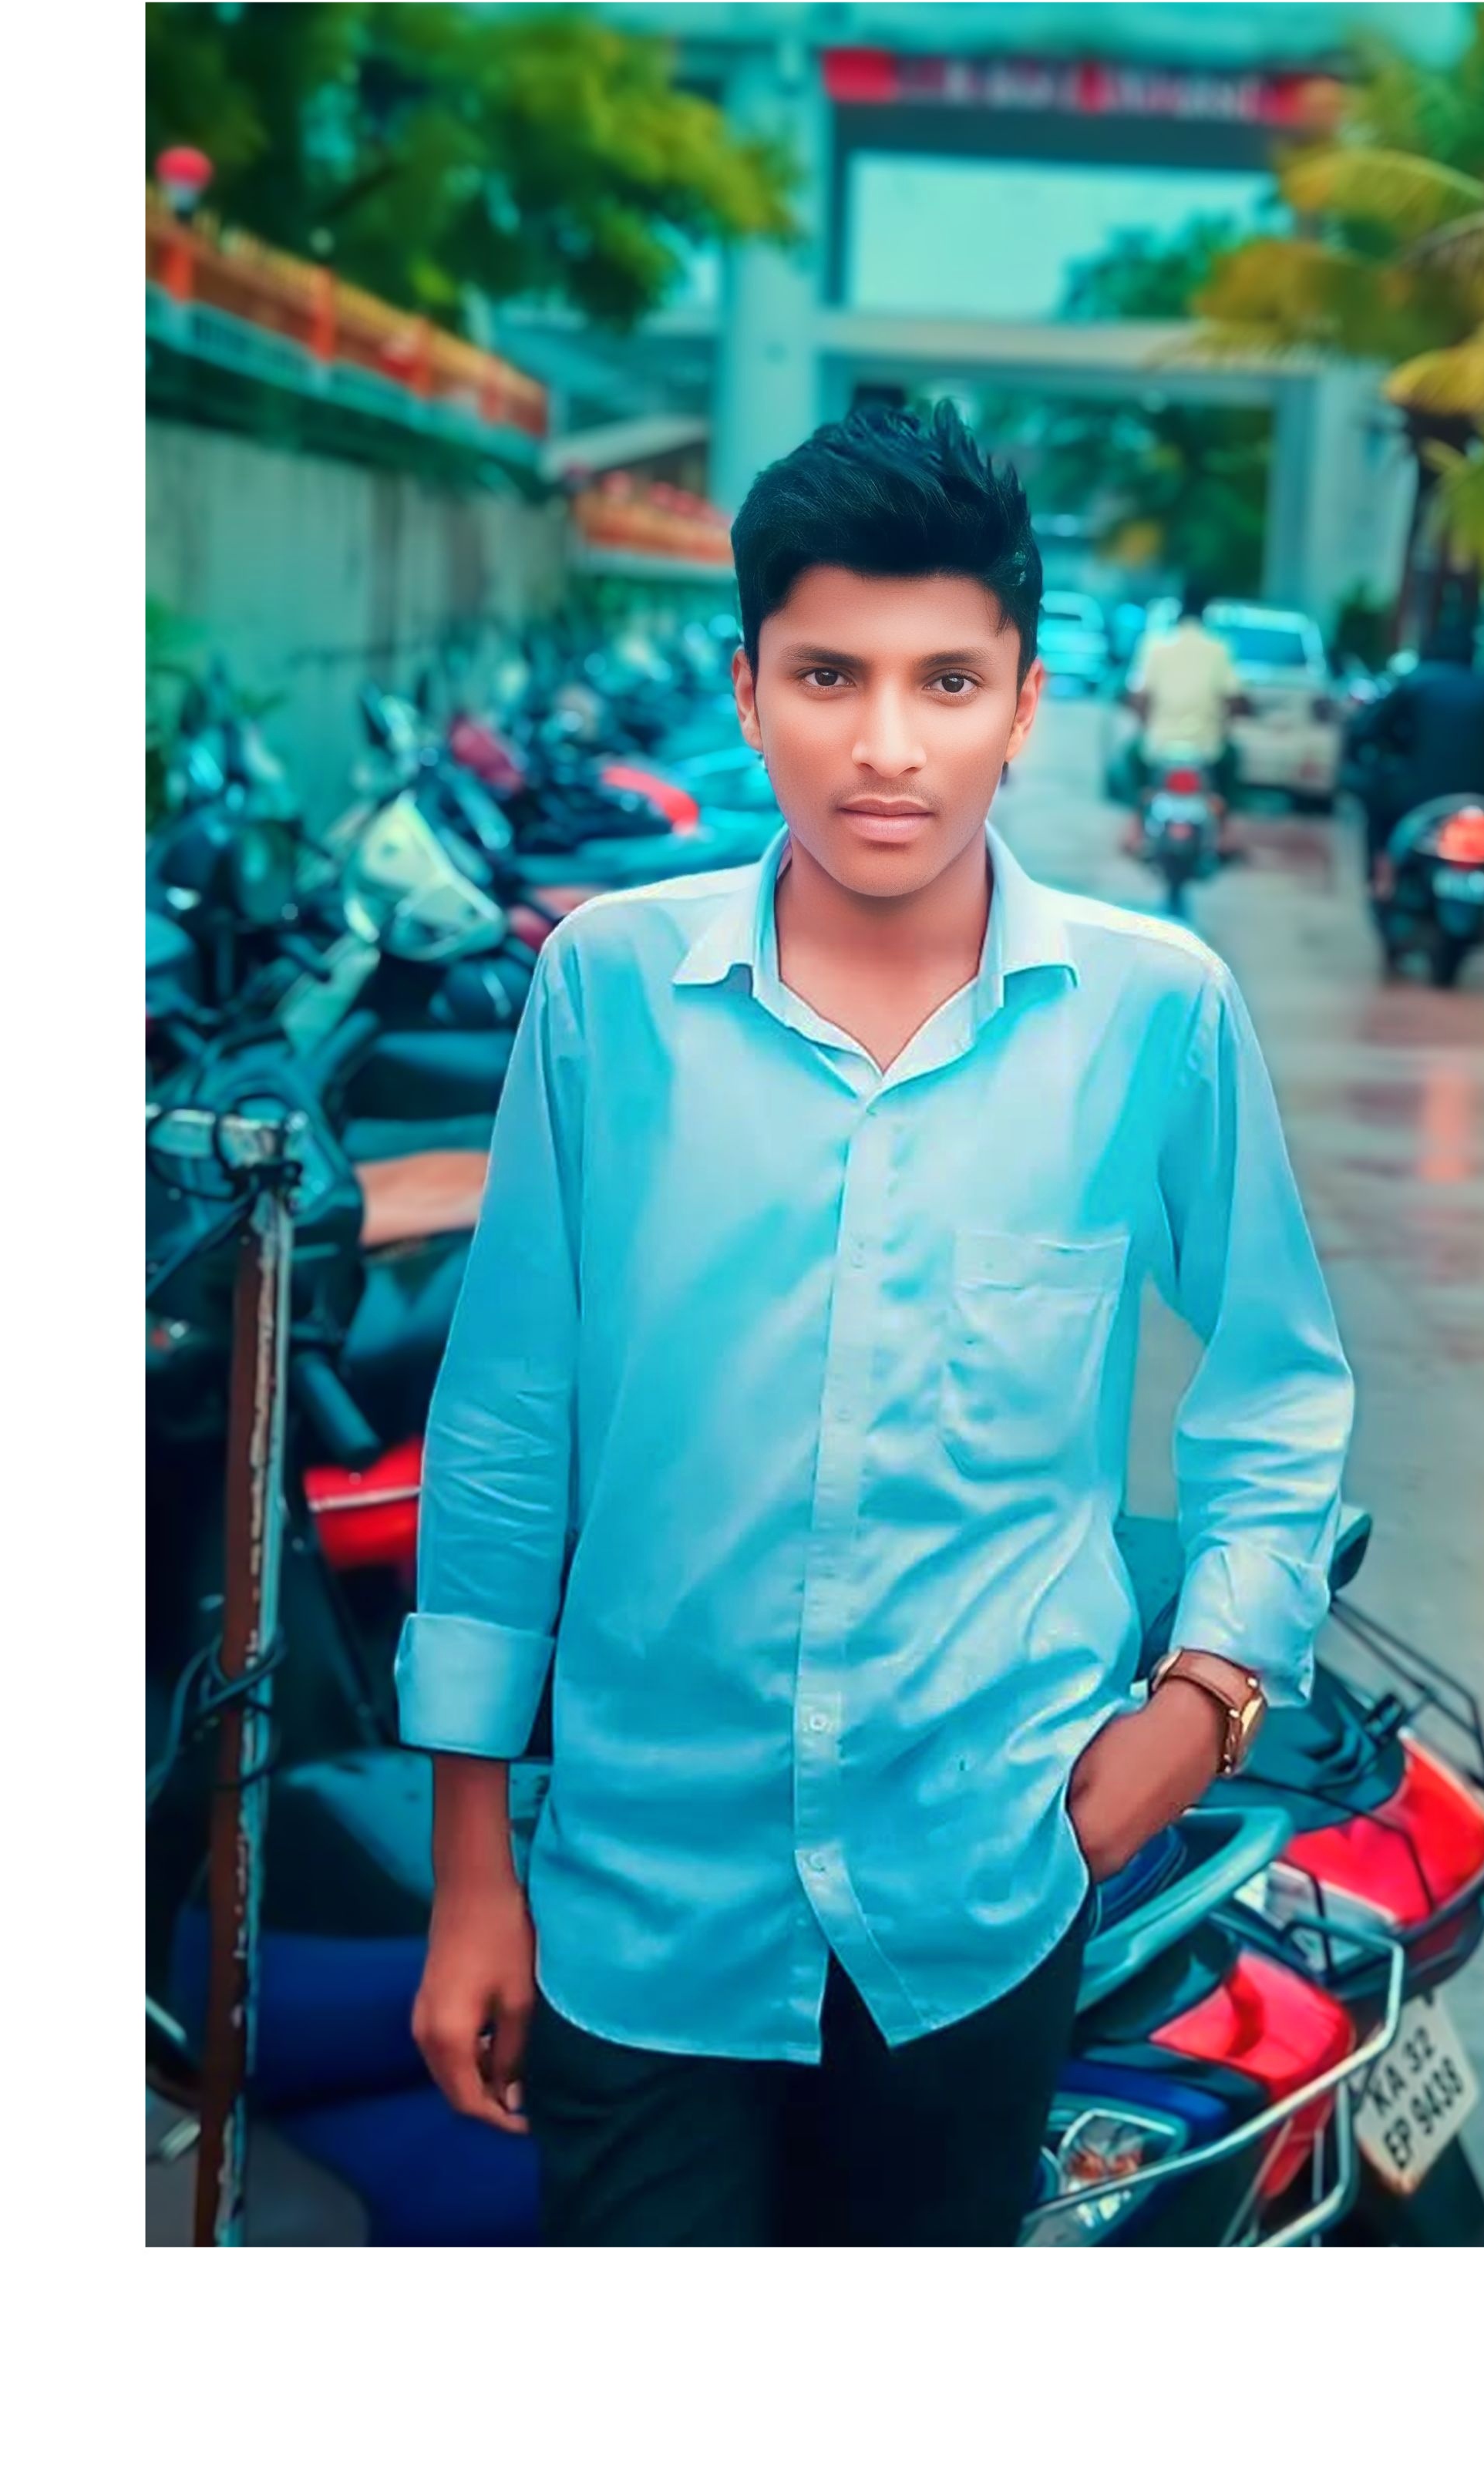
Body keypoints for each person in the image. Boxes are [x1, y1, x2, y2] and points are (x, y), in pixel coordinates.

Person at [400, 403, 1357, 2247]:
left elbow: (1277, 1377)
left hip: (982, 1891)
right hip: (639, 1905)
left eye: (948, 682)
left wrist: (1210, 1694)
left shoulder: (1151, 1012)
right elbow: (510, 1426)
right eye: (830, 675)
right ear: (749, 689)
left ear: (1025, 704)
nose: (887, 746)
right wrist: (470, 1873)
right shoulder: (609, 991)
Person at [1348, 643, 1484, 903]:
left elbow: (1370, 730)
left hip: (1416, 793)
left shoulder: (1414, 683)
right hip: (1480, 793)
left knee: (1377, 810)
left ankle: (1382, 879)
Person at [1122, 575, 1253, 860]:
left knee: (1132, 758)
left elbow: (1139, 697)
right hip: (1207, 748)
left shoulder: (1156, 645)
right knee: (1233, 760)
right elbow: (1234, 699)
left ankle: (1136, 827)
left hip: (1159, 747)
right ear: (1207, 610)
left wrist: (1146, 723)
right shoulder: (1219, 648)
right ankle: (1224, 831)